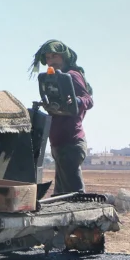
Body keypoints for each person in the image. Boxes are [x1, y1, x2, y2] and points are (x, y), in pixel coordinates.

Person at [30, 40, 94, 195]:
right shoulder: (52, 79)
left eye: (54, 56)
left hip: (71, 142)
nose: (51, 61)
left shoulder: (72, 75)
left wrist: (77, 101)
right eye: (48, 58)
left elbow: (88, 100)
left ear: (63, 56)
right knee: (61, 195)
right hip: (59, 144)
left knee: (75, 196)